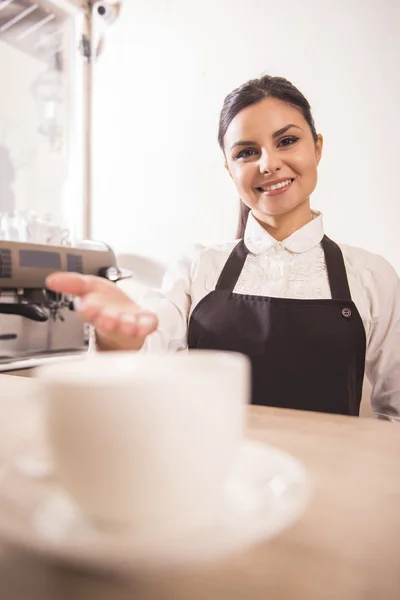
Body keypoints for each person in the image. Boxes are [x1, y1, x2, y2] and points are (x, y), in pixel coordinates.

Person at [46, 75, 400, 417]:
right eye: (247, 152)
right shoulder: (197, 266)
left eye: (287, 141)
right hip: (214, 473)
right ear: (230, 169)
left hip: (332, 476)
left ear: (317, 148)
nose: (269, 164)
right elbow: (144, 362)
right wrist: (116, 336)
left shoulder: (371, 275)